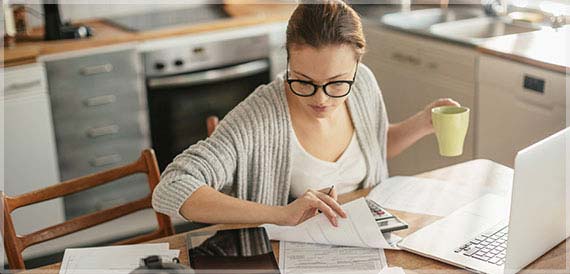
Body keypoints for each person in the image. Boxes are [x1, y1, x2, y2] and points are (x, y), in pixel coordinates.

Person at [152, 1, 459, 227]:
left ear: (356, 65)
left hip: (367, 237)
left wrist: (423, 122)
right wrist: (281, 215)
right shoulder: (259, 117)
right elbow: (173, 186)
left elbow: (376, 146)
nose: (321, 99)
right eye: (304, 81)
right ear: (288, 62)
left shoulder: (363, 83)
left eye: (337, 83)